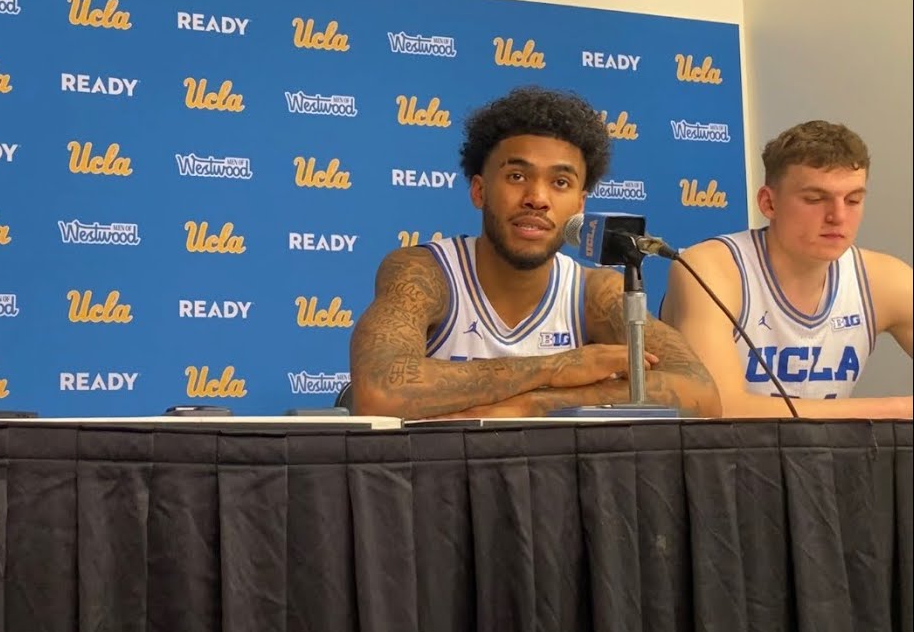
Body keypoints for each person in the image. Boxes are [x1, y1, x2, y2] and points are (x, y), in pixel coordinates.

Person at [348, 86, 721, 419]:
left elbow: (701, 394)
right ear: (479, 191)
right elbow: (378, 392)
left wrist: (530, 405)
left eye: (560, 182)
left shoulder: (595, 291)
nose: (537, 199)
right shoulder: (424, 272)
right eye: (516, 176)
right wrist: (555, 369)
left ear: (579, 205)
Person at [661, 120, 913, 418]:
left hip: (829, 460)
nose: (838, 216)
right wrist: (897, 409)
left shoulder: (884, 279)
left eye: (853, 199)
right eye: (815, 199)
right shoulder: (712, 268)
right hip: (721, 460)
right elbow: (720, 408)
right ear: (768, 203)